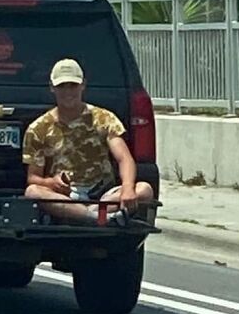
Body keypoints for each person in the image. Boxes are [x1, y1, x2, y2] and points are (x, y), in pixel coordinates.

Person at [23, 59, 153, 224]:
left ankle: (86, 214)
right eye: (62, 86)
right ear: (52, 87)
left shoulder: (104, 118)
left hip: (102, 194)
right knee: (32, 192)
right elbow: (33, 177)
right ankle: (99, 218)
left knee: (145, 189)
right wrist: (52, 182)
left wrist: (128, 188)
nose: (68, 91)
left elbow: (124, 158)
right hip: (64, 196)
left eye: (73, 85)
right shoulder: (38, 128)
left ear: (83, 85)